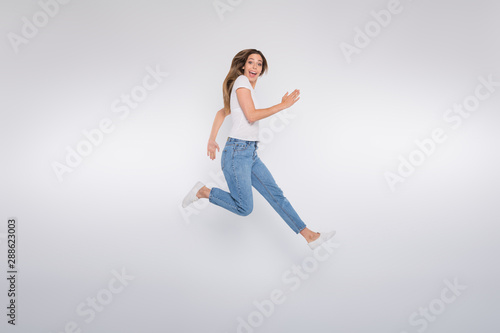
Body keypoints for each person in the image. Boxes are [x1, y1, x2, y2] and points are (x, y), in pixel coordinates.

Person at [182, 49, 335, 250]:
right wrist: (282, 105)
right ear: (243, 65)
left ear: (262, 69)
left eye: (259, 63)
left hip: (249, 153)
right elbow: (251, 116)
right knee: (244, 208)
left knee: (276, 195)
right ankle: (203, 192)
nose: (254, 66)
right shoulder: (242, 83)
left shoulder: (245, 90)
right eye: (251, 62)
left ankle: (310, 236)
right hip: (237, 153)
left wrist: (211, 139)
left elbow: (223, 111)